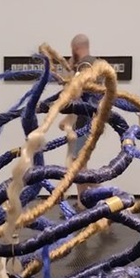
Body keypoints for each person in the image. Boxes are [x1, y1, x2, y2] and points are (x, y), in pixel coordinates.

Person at [58, 33, 98, 210]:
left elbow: (76, 94)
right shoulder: (95, 63)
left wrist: (67, 117)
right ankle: (83, 201)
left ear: (75, 48)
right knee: (79, 162)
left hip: (85, 120)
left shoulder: (84, 66)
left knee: (78, 164)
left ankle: (107, 196)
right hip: (91, 119)